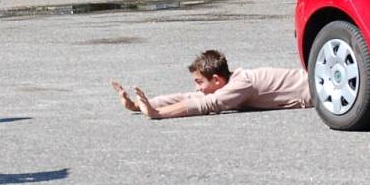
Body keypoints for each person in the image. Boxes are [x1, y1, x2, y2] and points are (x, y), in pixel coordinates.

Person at [111, 49, 312, 120]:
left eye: (200, 82)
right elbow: (188, 97)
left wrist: (158, 114)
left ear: (216, 79)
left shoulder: (240, 84)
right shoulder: (227, 83)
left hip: (317, 90)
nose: (197, 88)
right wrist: (138, 105)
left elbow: (207, 105)